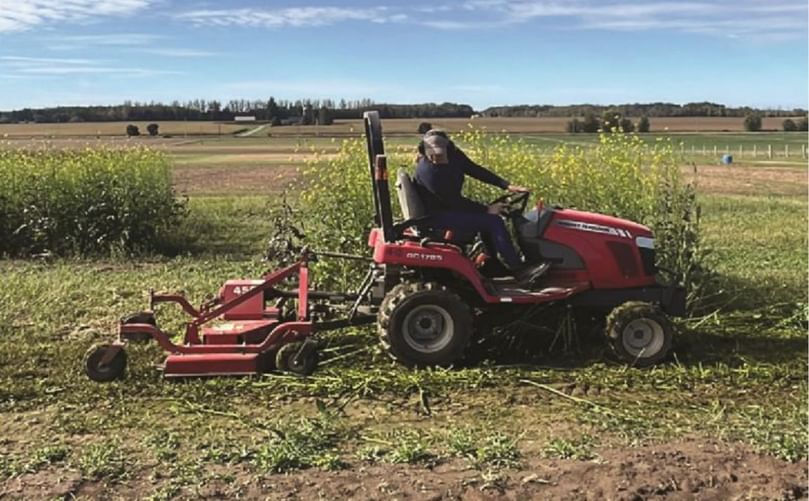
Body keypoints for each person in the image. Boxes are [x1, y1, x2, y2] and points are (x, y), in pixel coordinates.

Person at [413, 129, 548, 284]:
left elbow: (474, 169)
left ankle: (493, 265)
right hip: (436, 215)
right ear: (424, 151)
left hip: (447, 207)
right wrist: (487, 209)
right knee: (493, 221)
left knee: (488, 220)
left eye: (440, 154)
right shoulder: (429, 173)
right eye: (432, 155)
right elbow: (454, 202)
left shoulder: (455, 155)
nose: (436, 158)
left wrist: (505, 185)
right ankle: (519, 270)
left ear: (448, 148)